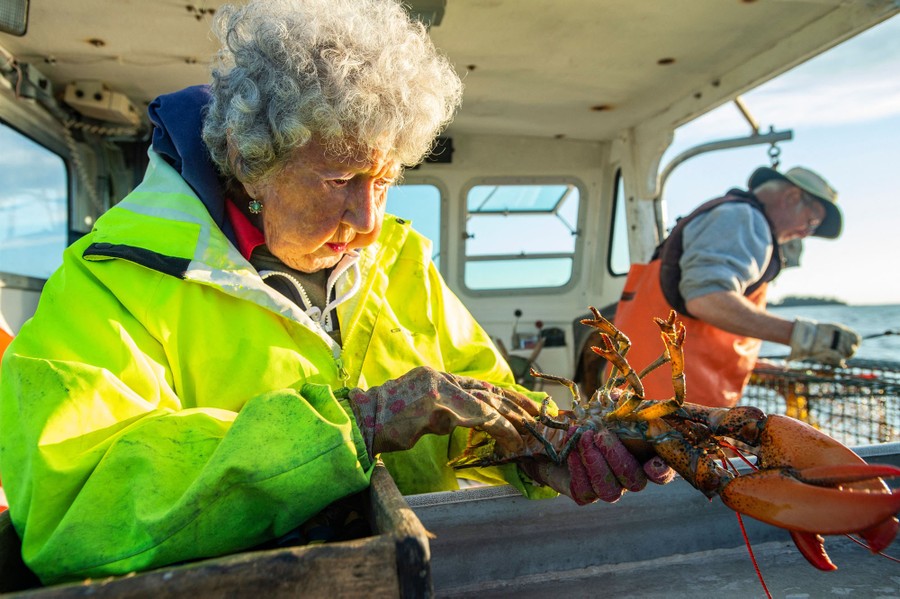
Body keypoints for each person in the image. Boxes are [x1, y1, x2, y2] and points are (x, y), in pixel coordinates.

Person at [0, 0, 671, 585]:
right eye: (341, 178)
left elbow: (480, 409)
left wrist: (543, 449)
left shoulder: (399, 258)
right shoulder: (113, 282)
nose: (370, 218)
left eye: (384, 180)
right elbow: (73, 509)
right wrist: (356, 422)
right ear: (247, 156)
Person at [595, 166, 861, 408]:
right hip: (670, 414)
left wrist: (758, 367)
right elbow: (707, 299)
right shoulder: (744, 218)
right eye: (811, 222)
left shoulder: (729, 216)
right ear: (792, 197)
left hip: (639, 403)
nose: (806, 233)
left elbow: (694, 329)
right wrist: (805, 336)